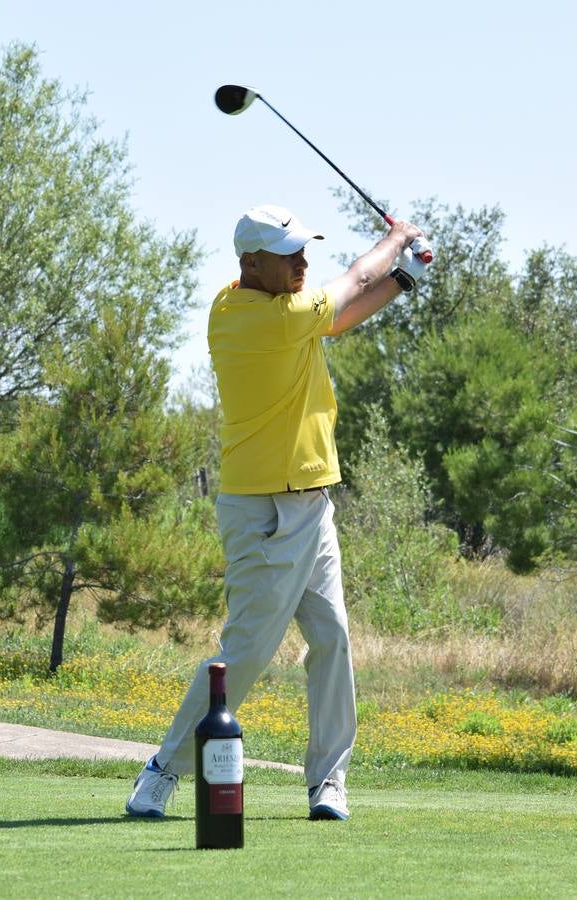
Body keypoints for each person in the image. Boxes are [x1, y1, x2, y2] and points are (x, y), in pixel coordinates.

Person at [125, 204, 428, 822]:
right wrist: (396, 240)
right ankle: (162, 770)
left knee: (333, 638)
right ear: (250, 263)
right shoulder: (246, 318)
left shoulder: (285, 313)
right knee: (248, 649)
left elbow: (339, 318)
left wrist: (405, 279)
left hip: (312, 500)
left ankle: (328, 782)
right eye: (289, 255)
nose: (302, 263)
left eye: (303, 252)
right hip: (261, 507)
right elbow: (351, 282)